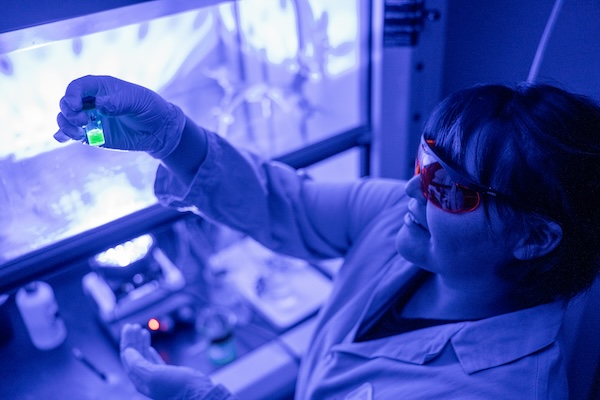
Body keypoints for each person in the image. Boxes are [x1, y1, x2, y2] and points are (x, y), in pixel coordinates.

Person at [55, 75, 600, 399]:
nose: (413, 188)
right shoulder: (403, 218)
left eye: (447, 187)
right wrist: (172, 136)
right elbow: (284, 204)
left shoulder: (500, 389)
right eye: (423, 161)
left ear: (535, 238)